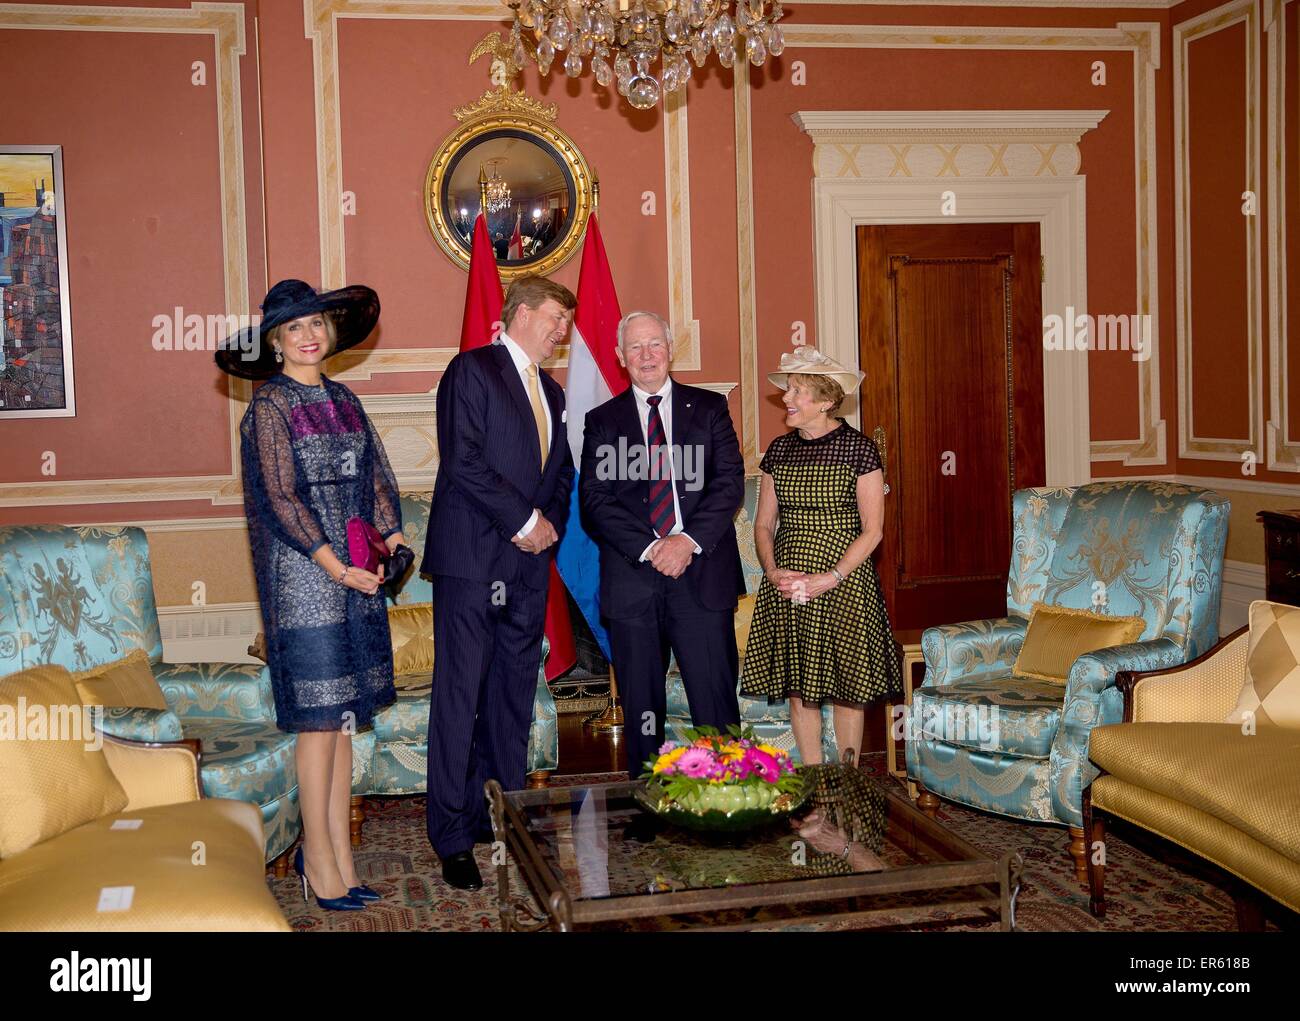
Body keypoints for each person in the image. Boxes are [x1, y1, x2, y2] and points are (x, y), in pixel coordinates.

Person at [216, 279, 406, 911]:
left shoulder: (346, 399)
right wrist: (335, 565)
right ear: (276, 342)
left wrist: (393, 536)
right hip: (304, 578)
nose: (308, 335)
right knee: (319, 726)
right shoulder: (268, 407)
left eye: (316, 324)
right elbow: (280, 498)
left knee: (346, 723)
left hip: (357, 577)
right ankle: (315, 862)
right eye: (294, 328)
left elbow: (377, 477)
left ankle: (344, 863)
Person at [421, 274, 576, 890]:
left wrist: (548, 526)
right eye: (555, 317)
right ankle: (452, 835)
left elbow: (561, 474)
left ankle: (503, 814)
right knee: (460, 695)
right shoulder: (472, 370)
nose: (563, 329)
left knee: (513, 692)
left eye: (566, 319)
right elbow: (464, 461)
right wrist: (523, 520)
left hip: (529, 564)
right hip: (472, 561)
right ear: (520, 314)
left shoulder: (557, 394)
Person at [739, 347, 902, 838]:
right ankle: (812, 787)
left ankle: (847, 785)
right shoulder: (779, 450)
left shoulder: (859, 450)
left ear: (825, 400)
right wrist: (773, 571)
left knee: (848, 687)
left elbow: (872, 530)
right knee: (800, 684)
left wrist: (828, 577)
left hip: (844, 584)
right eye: (788, 388)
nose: (785, 397)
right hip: (788, 585)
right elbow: (763, 524)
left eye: (795, 390)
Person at [580, 311, 745, 781]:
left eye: (654, 344)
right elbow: (595, 499)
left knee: (714, 705)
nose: (646, 355)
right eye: (635, 347)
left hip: (701, 574)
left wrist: (685, 542)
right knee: (642, 709)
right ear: (619, 357)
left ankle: (727, 802)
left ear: (671, 349)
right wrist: (654, 547)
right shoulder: (603, 421)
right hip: (634, 580)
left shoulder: (709, 409)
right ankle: (649, 806)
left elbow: (728, 483)